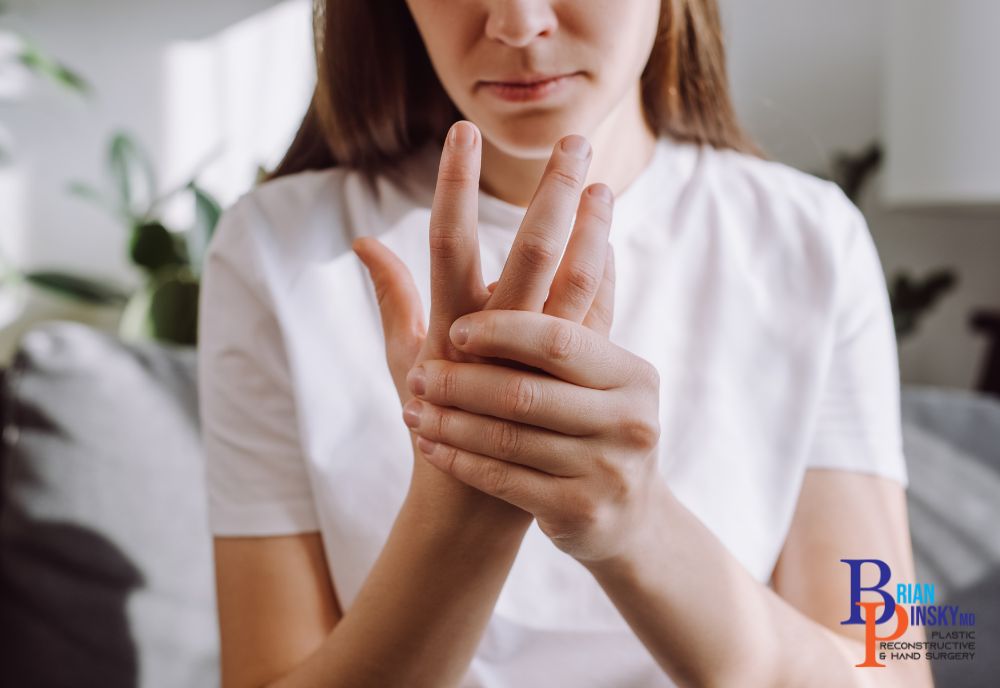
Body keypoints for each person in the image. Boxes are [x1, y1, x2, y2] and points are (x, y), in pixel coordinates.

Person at [197, 1, 934, 686]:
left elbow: (900, 660)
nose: (517, 24)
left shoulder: (815, 240)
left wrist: (635, 522)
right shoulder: (274, 248)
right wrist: (460, 513)